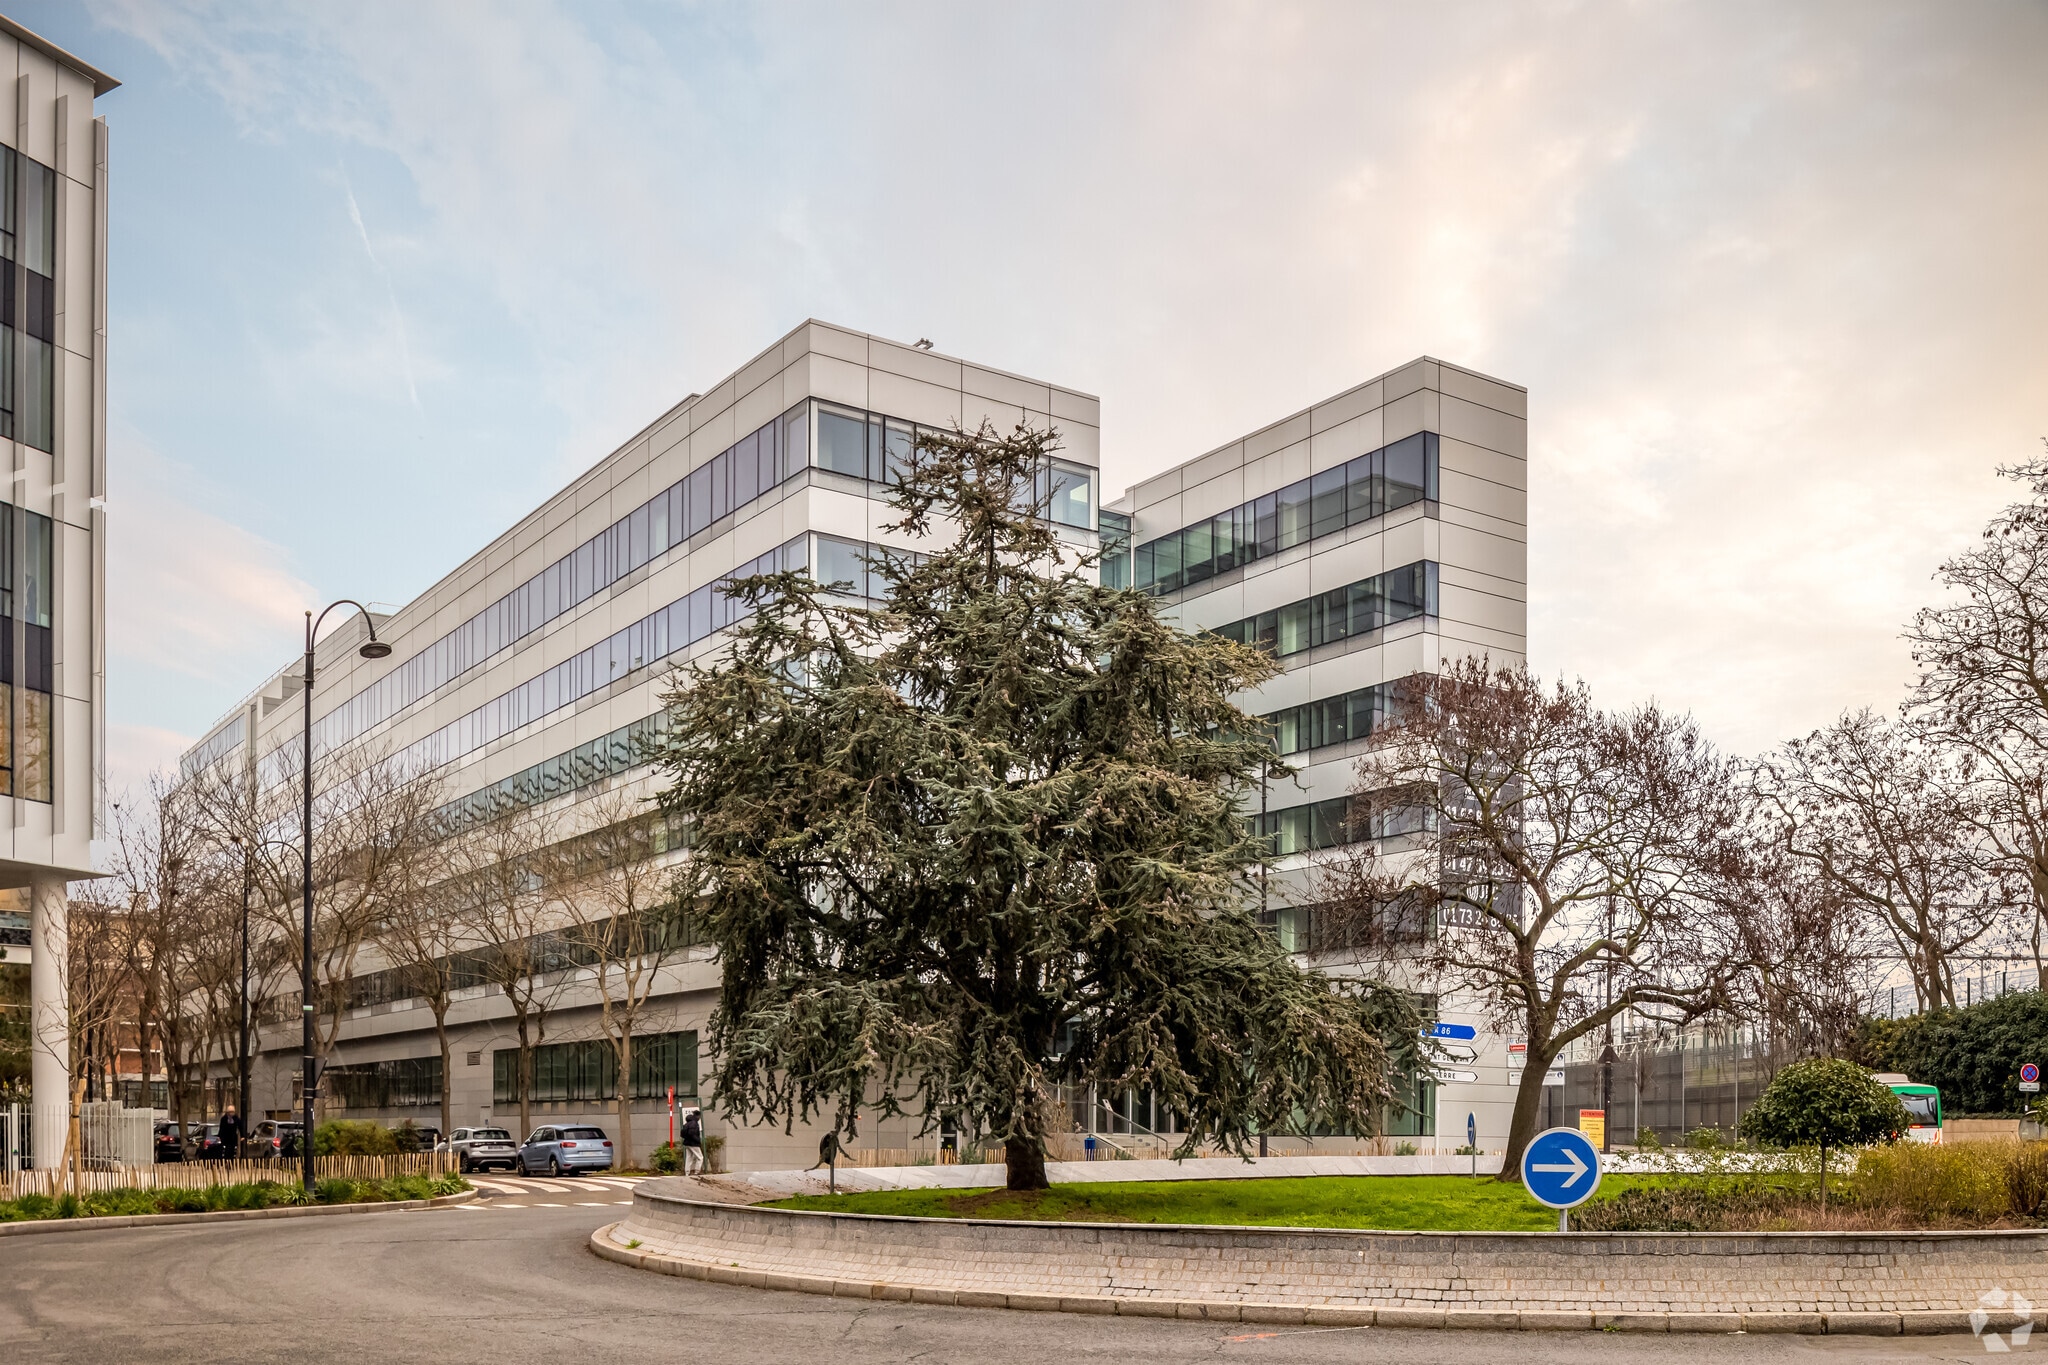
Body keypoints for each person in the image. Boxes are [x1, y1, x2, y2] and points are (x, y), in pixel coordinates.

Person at [679, 1106, 705, 1176]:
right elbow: (692, 1134)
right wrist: (698, 1140)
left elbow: (683, 1134)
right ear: (698, 1116)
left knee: (689, 1158)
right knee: (700, 1157)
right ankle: (697, 1172)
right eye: (699, 1116)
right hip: (693, 1143)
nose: (699, 1118)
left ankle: (687, 1173)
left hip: (687, 1143)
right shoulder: (694, 1123)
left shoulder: (687, 1123)